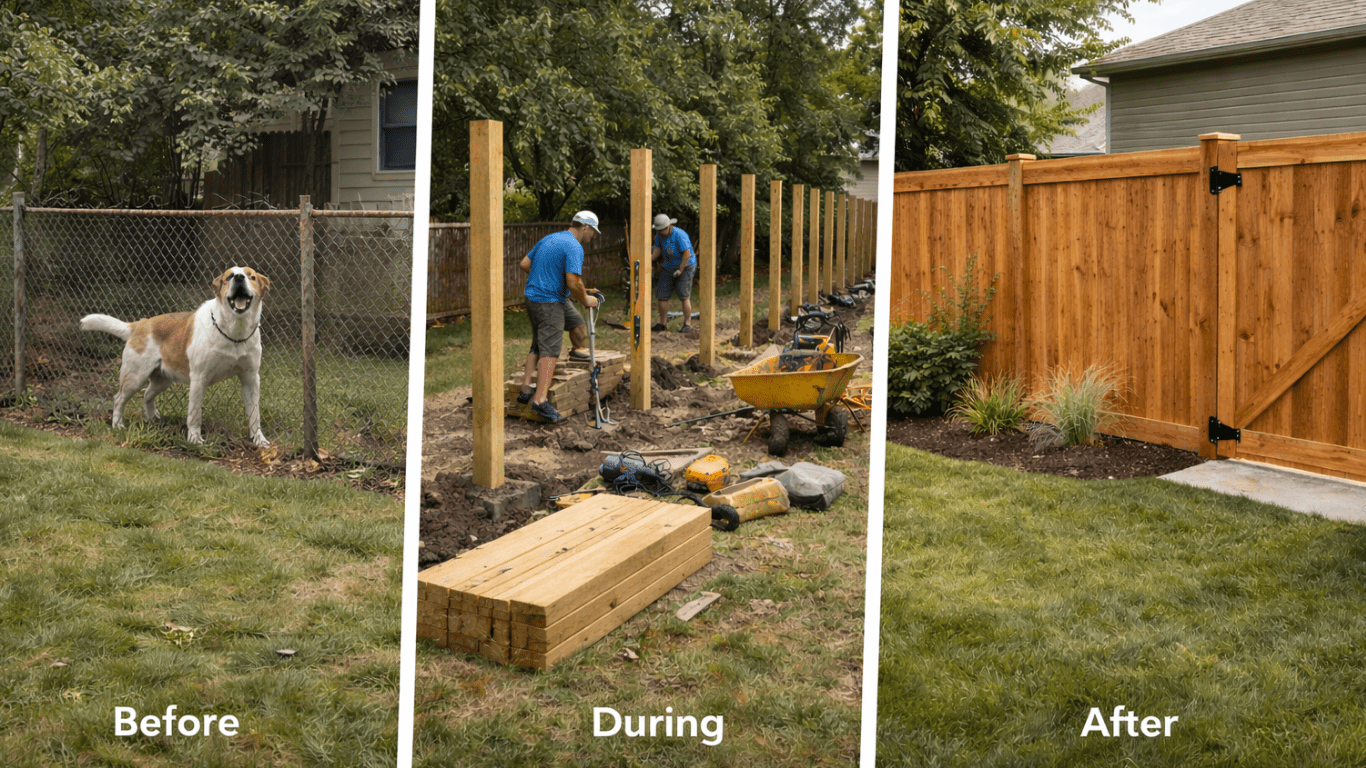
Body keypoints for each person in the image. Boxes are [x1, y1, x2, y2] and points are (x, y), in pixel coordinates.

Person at [515, 211, 601, 423]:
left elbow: (525, 264)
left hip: (538, 297)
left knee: (576, 326)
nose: (593, 237)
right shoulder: (574, 246)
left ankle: (526, 388)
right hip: (548, 302)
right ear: (586, 227)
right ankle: (540, 400)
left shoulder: (550, 238)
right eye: (593, 233)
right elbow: (573, 282)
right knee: (550, 349)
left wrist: (547, 279)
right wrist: (586, 299)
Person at [650, 213, 696, 332]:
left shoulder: (679, 235)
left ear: (669, 226)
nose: (661, 232)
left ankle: (687, 323)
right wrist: (648, 259)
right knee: (662, 295)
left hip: (686, 265)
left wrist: (680, 270)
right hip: (668, 266)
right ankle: (662, 324)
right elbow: (657, 250)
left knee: (683, 295)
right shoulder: (659, 236)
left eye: (663, 229)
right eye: (659, 230)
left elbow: (687, 254)